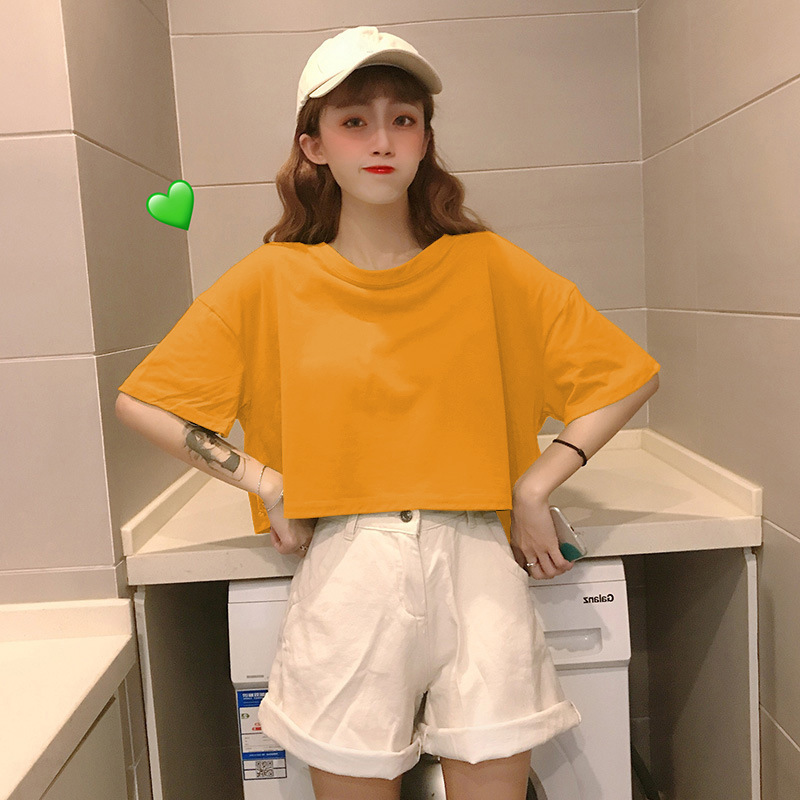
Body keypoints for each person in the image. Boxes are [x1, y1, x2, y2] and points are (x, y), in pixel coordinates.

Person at [116, 25, 660, 800]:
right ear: (313, 145)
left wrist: (537, 485)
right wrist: (265, 481)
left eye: (402, 119)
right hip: (347, 569)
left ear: (424, 140)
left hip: (480, 563)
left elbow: (626, 376)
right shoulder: (274, 278)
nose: (381, 140)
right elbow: (143, 401)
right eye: (354, 121)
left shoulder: (485, 264)